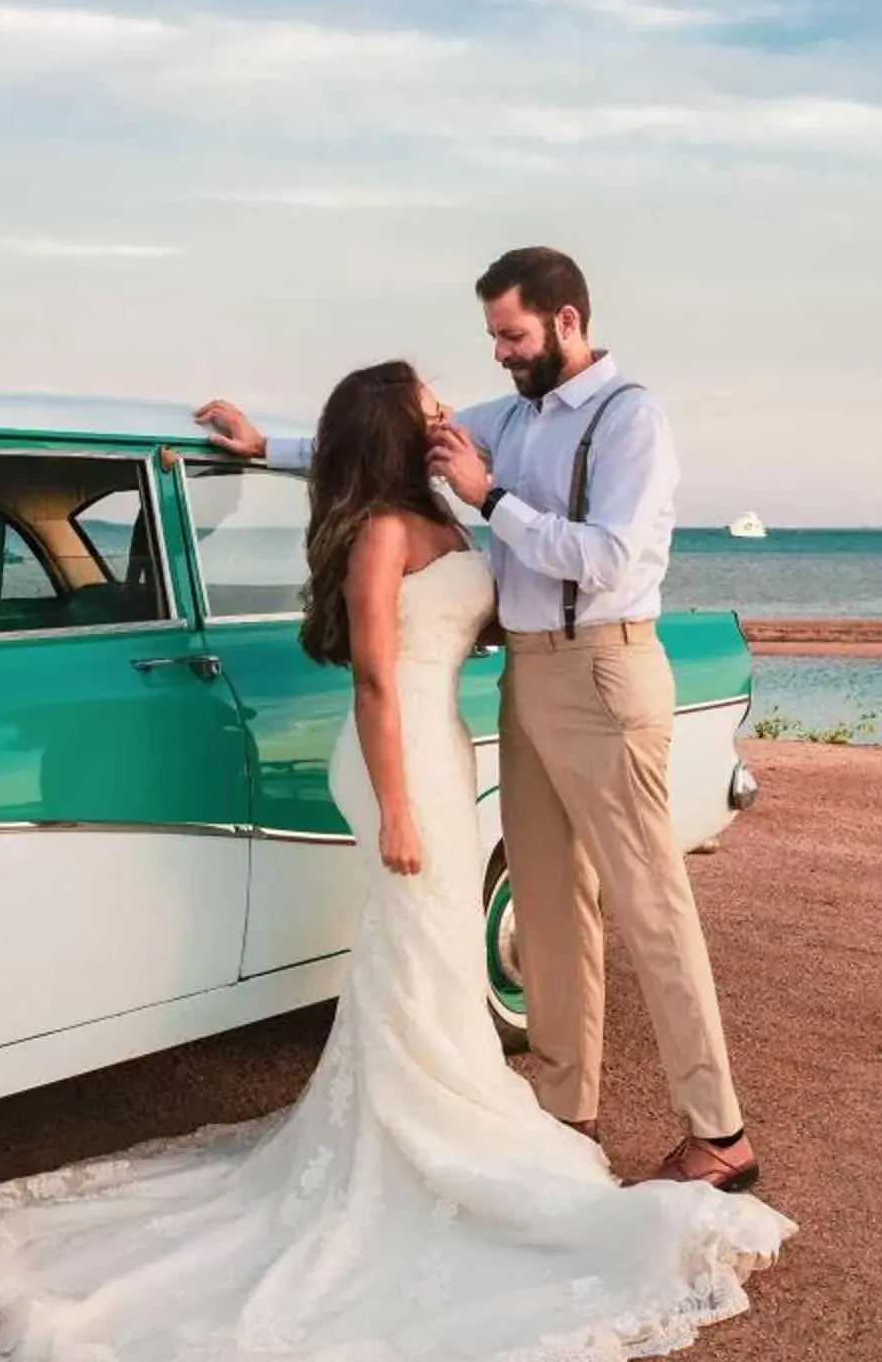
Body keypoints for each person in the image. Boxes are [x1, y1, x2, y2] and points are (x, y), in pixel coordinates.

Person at [0, 361, 790, 1362]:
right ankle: (435, 1129)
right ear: (394, 431)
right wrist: (404, 810)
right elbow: (376, 676)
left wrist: (291, 450)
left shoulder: (447, 498)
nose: (444, 416)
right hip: (400, 754)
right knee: (422, 937)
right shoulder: (382, 529)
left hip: (439, 745)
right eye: (424, 409)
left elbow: (510, 560)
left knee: (429, 947)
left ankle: (469, 1110)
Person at [198, 246, 759, 1190]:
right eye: (492, 336)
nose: (496, 353)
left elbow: (610, 559)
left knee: (649, 903)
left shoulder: (632, 420)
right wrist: (268, 450)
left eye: (511, 334)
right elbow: (391, 441)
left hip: (606, 671)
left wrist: (489, 497)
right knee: (544, 904)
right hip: (526, 678)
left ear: (566, 323)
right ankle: (562, 1109)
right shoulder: (511, 415)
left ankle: (720, 1134)